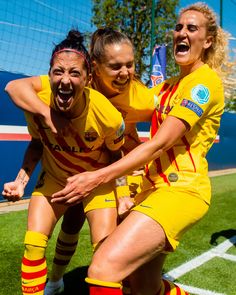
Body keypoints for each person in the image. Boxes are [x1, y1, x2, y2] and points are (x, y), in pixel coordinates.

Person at [49, 2, 227, 295]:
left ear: (207, 41)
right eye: (179, 27)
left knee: (104, 268)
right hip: (150, 189)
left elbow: (160, 144)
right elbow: (125, 105)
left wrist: (98, 176)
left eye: (191, 28)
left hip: (181, 191)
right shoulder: (167, 87)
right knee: (142, 286)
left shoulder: (203, 84)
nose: (181, 33)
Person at [5, 28, 158, 295]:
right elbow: (37, 143)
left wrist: (122, 194)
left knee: (106, 256)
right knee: (33, 243)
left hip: (97, 181)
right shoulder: (36, 103)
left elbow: (115, 155)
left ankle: (59, 281)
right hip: (55, 179)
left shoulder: (109, 115)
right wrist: (21, 181)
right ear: (49, 74)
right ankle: (52, 284)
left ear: (87, 78)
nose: (65, 80)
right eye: (58, 72)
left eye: (74, 73)